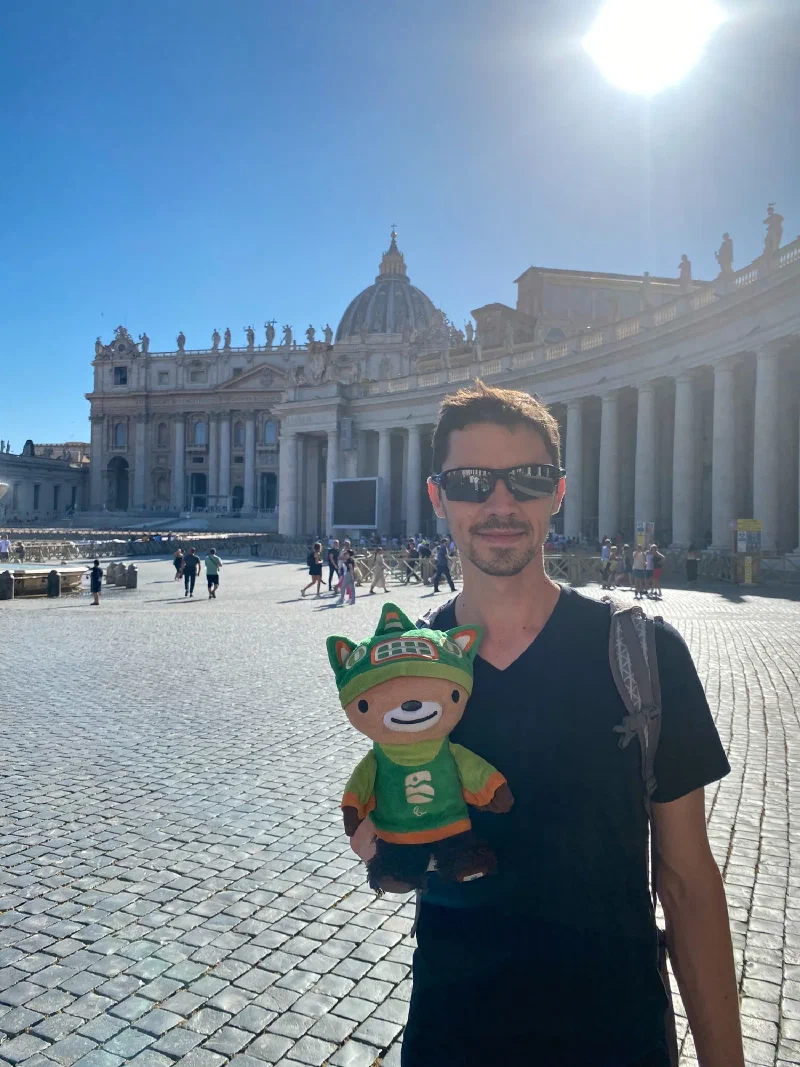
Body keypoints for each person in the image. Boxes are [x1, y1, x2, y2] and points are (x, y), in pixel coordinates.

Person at [351, 382, 741, 1067]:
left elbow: (686, 881)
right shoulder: (406, 669)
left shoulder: (645, 654)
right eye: (472, 482)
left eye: (525, 479)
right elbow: (407, 845)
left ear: (557, 491)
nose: (500, 504)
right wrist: (386, 850)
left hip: (616, 1040)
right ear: (438, 497)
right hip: (452, 1037)